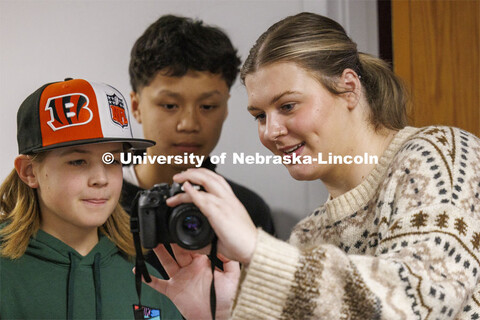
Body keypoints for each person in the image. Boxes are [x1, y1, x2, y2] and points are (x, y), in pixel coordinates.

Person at [139, 12, 480, 319]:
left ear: (349, 88)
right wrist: (227, 312)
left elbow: (423, 300)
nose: (271, 131)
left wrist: (259, 250)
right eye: (260, 116)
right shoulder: (309, 235)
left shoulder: (441, 155)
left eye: (287, 106)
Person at [0, 78, 183, 319]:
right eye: (78, 161)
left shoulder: (154, 282)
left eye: (113, 160)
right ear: (29, 172)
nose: (101, 179)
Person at [122, 15, 275, 275]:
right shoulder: (97, 204)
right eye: (170, 105)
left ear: (226, 108)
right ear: (136, 107)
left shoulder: (246, 210)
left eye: (208, 106)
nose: (189, 124)